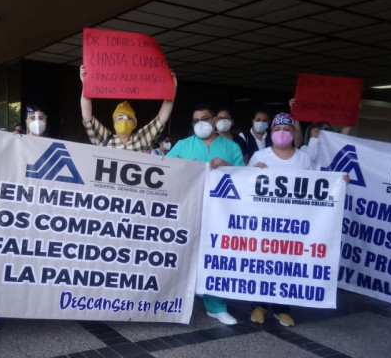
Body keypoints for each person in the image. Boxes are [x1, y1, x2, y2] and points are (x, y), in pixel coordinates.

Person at [168, 103, 244, 325]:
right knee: (182, 256)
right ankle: (176, 304)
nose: (201, 123)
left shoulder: (231, 147)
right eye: (196, 120)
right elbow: (165, 171)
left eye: (205, 119)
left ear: (214, 121)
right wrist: (182, 167)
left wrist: (227, 166)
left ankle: (216, 306)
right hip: (186, 210)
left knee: (215, 257)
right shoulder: (182, 145)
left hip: (219, 213)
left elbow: (244, 178)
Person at [247, 112, 315, 327]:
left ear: (294, 133)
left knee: (286, 265)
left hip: (293, 223)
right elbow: (246, 187)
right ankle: (258, 305)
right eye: (277, 130)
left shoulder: (304, 158)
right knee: (261, 264)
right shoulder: (261, 156)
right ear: (271, 133)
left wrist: (339, 183)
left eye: (286, 129)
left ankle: (282, 308)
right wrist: (252, 174)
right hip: (264, 222)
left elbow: (317, 186)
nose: (282, 133)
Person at [79, 65, 176, 152]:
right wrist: (86, 85)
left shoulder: (141, 139)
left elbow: (161, 119)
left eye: (128, 118)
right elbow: (87, 117)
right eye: (120, 117)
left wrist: (172, 89)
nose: (124, 120)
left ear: (134, 123)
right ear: (114, 122)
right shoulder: (104, 138)